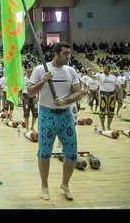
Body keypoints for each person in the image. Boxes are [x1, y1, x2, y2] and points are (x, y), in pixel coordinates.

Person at [27, 41, 81, 201]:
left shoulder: (71, 71)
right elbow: (29, 93)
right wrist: (43, 81)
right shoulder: (40, 70)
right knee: (44, 153)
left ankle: (65, 184)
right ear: (55, 54)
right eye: (65, 53)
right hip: (46, 115)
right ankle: (44, 185)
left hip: (65, 115)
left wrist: (66, 101)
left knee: (71, 154)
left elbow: (78, 93)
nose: (69, 56)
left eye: (69, 53)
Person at [87, 65, 119, 131]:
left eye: (106, 69)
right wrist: (89, 71)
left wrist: (119, 95)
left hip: (112, 95)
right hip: (103, 95)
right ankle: (103, 127)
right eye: (104, 69)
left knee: (111, 112)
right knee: (102, 111)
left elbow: (117, 86)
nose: (104, 70)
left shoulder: (113, 77)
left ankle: (108, 126)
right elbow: (92, 77)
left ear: (109, 70)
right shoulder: (100, 76)